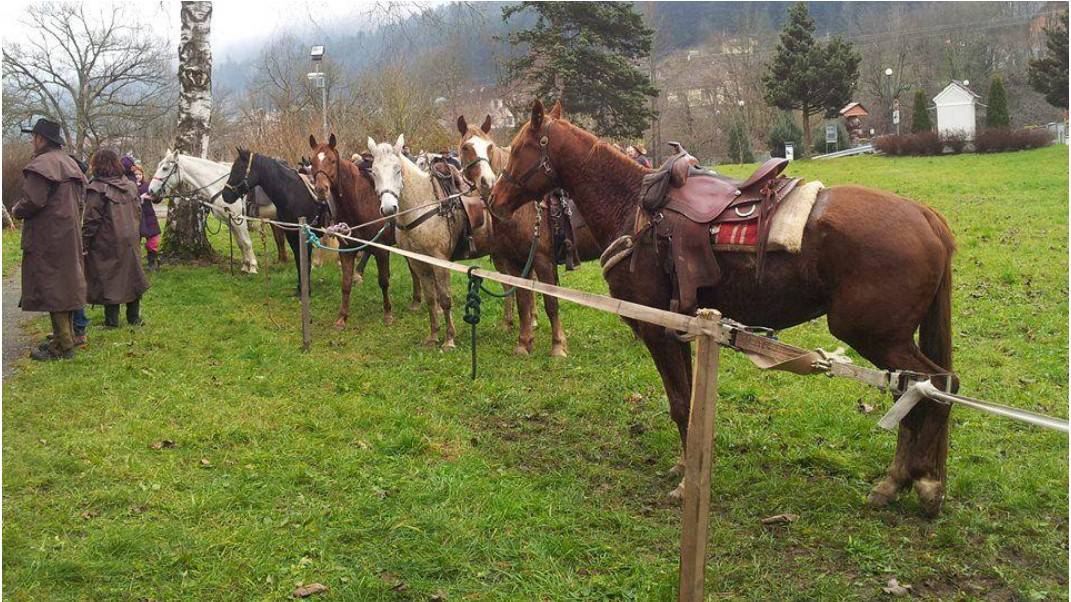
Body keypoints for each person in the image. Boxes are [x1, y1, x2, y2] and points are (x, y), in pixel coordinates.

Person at [12, 118, 88, 361]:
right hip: (69, 234)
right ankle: (63, 339)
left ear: (41, 139)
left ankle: (63, 347)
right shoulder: (70, 163)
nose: (31, 142)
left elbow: (33, 201)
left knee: (54, 286)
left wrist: (16, 210)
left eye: (33, 137)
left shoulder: (42, 165)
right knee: (66, 285)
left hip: (48, 237)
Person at [83, 150, 149, 328]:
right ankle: (134, 318)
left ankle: (112, 322)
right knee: (132, 274)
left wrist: (84, 243)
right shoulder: (130, 186)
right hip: (131, 238)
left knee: (110, 277)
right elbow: (138, 211)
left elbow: (91, 220)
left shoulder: (97, 188)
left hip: (107, 240)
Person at [122, 155, 160, 270]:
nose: (138, 176)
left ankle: (152, 262)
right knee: (135, 241)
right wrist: (141, 198)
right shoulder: (129, 186)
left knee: (152, 241)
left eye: (140, 174)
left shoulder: (147, 185)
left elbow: (157, 198)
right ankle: (135, 264)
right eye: (136, 174)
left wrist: (154, 197)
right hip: (136, 217)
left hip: (149, 216)